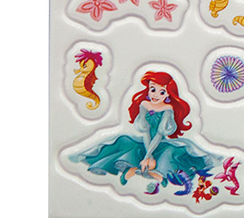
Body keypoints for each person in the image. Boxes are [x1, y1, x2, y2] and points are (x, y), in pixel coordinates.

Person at [69, 70, 221, 195]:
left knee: (171, 152)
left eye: (162, 92)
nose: (155, 95)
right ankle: (145, 171)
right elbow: (146, 131)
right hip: (145, 141)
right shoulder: (144, 104)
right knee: (124, 142)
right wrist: (148, 156)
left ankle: (143, 171)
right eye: (153, 89)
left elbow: (159, 134)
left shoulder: (168, 109)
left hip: (160, 143)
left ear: (168, 95)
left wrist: (149, 156)